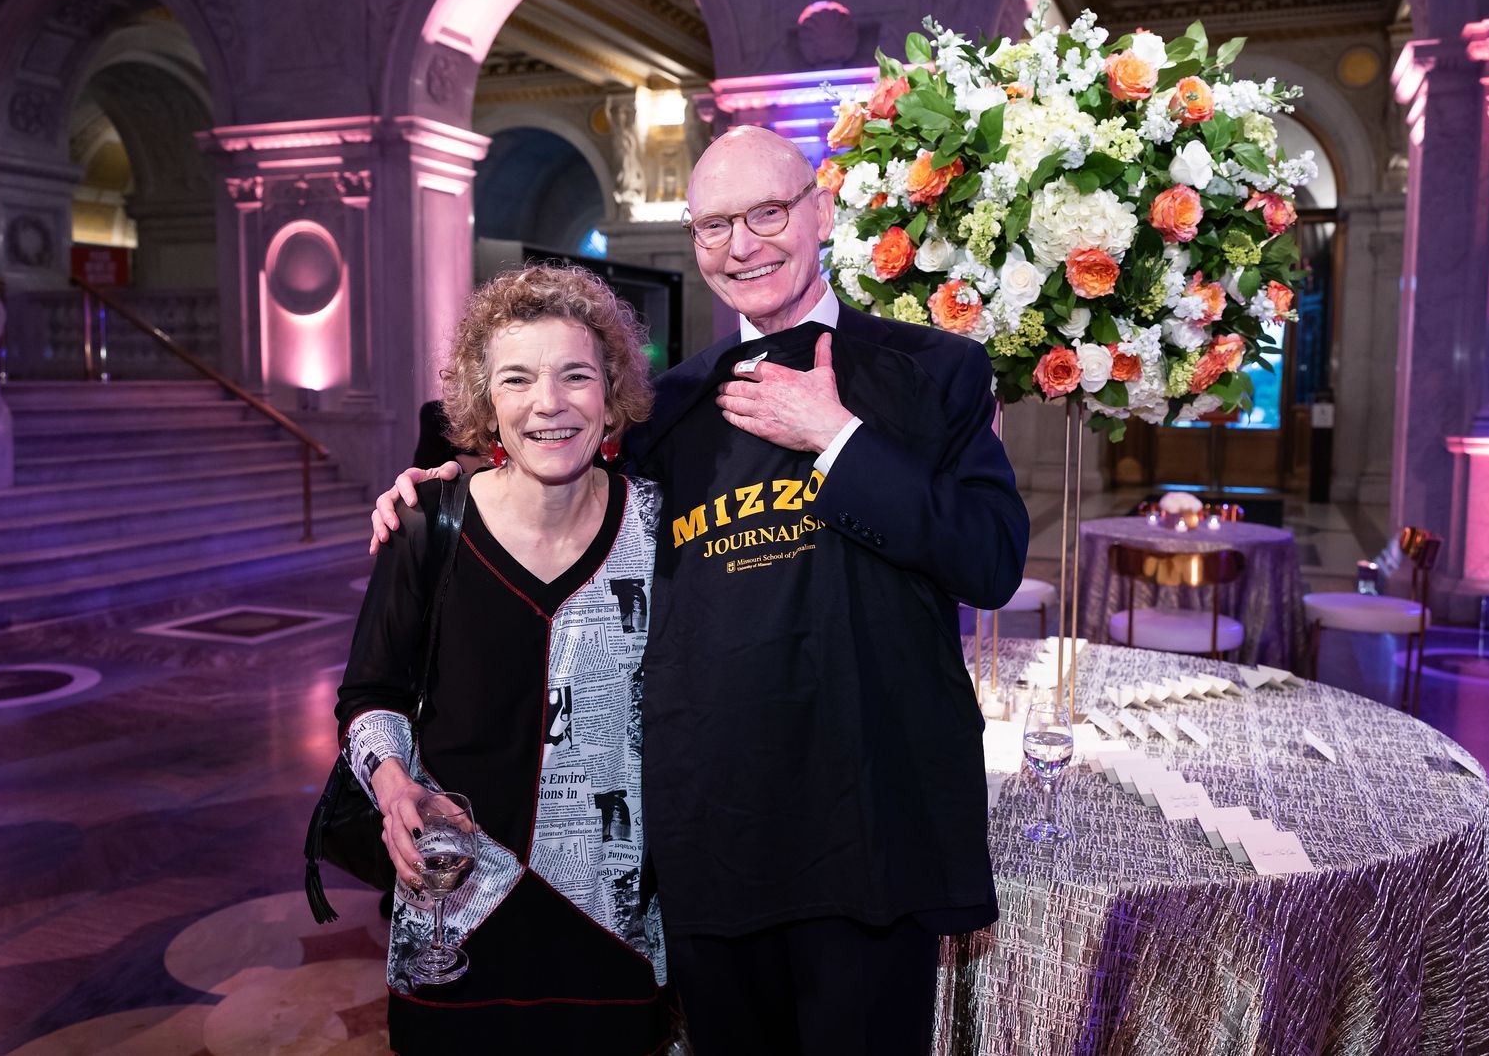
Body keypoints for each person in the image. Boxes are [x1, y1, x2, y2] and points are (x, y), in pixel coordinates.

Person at [374, 127, 1029, 1055]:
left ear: (823, 211)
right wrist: (439, 483)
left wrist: (837, 436)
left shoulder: (936, 372)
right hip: (713, 831)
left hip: (872, 824)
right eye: (715, 223)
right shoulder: (667, 409)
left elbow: (991, 559)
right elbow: (547, 447)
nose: (744, 243)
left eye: (768, 212)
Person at [336, 264, 667, 1054]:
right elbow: (369, 694)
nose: (547, 403)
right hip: (455, 912)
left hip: (610, 919)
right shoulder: (428, 523)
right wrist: (392, 784)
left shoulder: (659, 526)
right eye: (516, 378)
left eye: (575, 375)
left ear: (612, 390)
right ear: (486, 401)